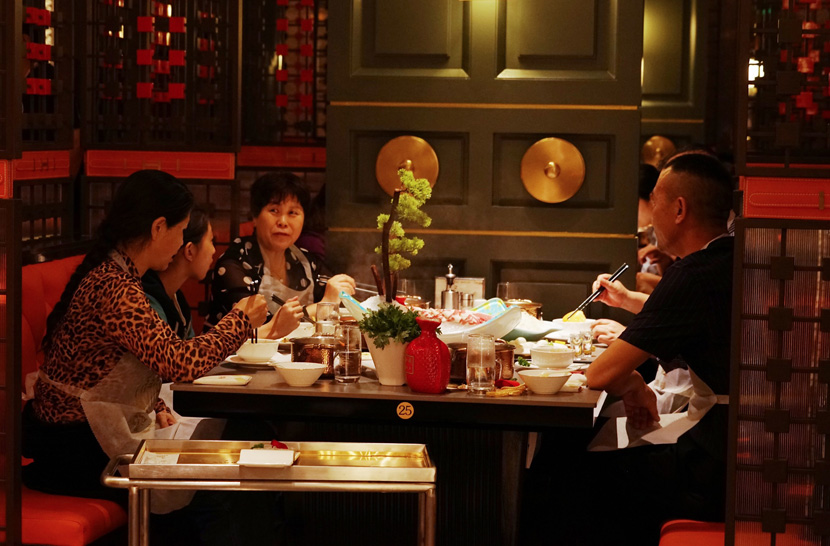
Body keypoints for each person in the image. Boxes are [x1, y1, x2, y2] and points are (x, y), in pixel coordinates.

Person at [21, 170, 275, 545]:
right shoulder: (114, 285)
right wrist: (239, 321)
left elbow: (120, 363)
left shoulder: (120, 276)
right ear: (158, 228)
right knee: (216, 488)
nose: (181, 243)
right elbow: (178, 362)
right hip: (74, 446)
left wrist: (154, 402)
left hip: (82, 435)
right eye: (181, 231)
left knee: (234, 451)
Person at [575, 153, 734, 545]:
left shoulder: (692, 273)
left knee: (575, 462)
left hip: (714, 464)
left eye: (655, 200)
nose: (650, 217)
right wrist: (628, 300)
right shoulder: (732, 257)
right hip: (748, 445)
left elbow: (600, 373)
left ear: (679, 209)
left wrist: (633, 385)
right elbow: (691, 316)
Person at [207, 172, 355, 331]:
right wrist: (325, 304)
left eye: (293, 213)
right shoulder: (234, 263)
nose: (283, 222)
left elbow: (333, 295)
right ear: (255, 217)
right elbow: (254, 328)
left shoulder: (306, 262)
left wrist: (341, 289)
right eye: (274, 210)